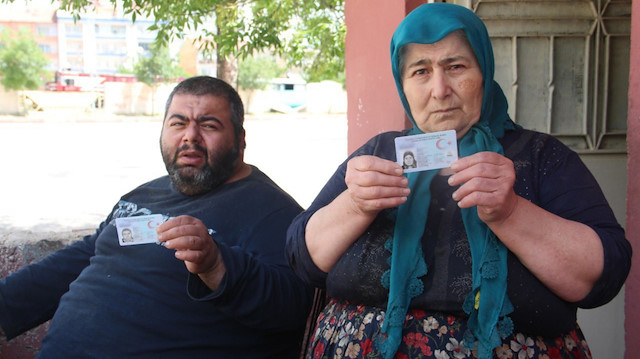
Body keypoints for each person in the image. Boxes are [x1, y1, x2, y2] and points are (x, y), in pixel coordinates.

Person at [286, 4, 631, 359]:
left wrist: (510, 213)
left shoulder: (541, 156)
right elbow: (302, 258)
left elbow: (603, 275)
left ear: (484, 71)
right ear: (402, 84)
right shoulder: (380, 152)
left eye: (456, 67)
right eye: (420, 71)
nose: (439, 89)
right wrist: (355, 205)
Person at [0, 76, 313, 358]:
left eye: (208, 125)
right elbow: (87, 254)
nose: (190, 136)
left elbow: (294, 309)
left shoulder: (274, 211)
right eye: (178, 123)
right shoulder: (145, 193)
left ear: (241, 139)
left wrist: (216, 265)